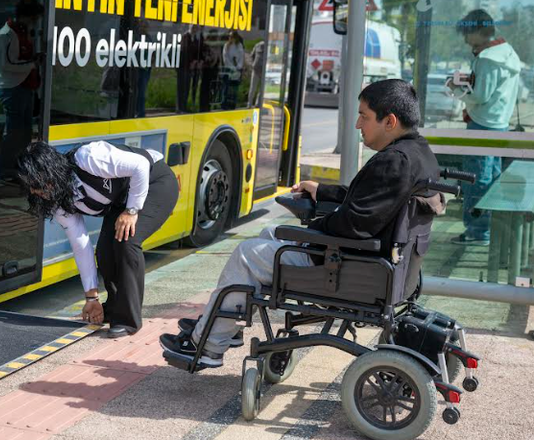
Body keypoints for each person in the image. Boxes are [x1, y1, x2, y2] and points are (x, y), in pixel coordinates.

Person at [160, 79, 439, 366]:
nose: (358, 125)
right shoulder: (419, 155)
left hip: (350, 266)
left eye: (364, 116)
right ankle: (222, 327)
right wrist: (324, 191)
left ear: (390, 121)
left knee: (247, 254)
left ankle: (207, 347)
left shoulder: (392, 162)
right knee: (270, 233)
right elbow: (372, 202)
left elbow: (355, 225)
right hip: (382, 263)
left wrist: (308, 234)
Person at [17, 140, 179, 338]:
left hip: (154, 182)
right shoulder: (57, 201)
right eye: (29, 186)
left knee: (127, 241)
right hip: (123, 200)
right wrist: (91, 297)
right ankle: (110, 310)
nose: (35, 191)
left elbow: (140, 165)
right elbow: (81, 244)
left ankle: (128, 321)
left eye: (36, 183)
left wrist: (132, 210)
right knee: (103, 251)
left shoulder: (88, 157)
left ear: (51, 172)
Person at [449, 9, 521, 246]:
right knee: (490, 179)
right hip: (498, 123)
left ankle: (478, 232)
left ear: (480, 32)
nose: (466, 40)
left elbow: (480, 95)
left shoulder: (488, 58)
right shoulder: (506, 53)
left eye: (468, 34)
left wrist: (456, 88)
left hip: (482, 124)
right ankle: (488, 229)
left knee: (476, 179)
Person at [0, 0, 44, 182]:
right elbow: (4, 64)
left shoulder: (23, 33)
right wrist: (32, 64)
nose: (35, 22)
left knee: (24, 131)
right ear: (26, 16)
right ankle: (5, 170)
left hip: (24, 86)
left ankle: (17, 167)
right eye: (34, 18)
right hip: (12, 87)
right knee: (14, 131)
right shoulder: (5, 35)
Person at [221, 30, 245, 110]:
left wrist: (238, 67)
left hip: (237, 70)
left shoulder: (239, 46)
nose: (230, 38)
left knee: (234, 89)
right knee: (226, 89)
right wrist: (232, 68)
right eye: (229, 36)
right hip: (228, 70)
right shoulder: (226, 46)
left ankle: (232, 105)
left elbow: (241, 57)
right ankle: (224, 105)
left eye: (232, 36)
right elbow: (225, 58)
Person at [247, 40, 266, 107]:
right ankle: (250, 103)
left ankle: (256, 104)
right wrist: (252, 64)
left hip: (262, 70)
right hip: (256, 69)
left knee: (260, 89)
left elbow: (252, 55)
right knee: (254, 88)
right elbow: (252, 55)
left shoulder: (260, 45)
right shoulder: (258, 45)